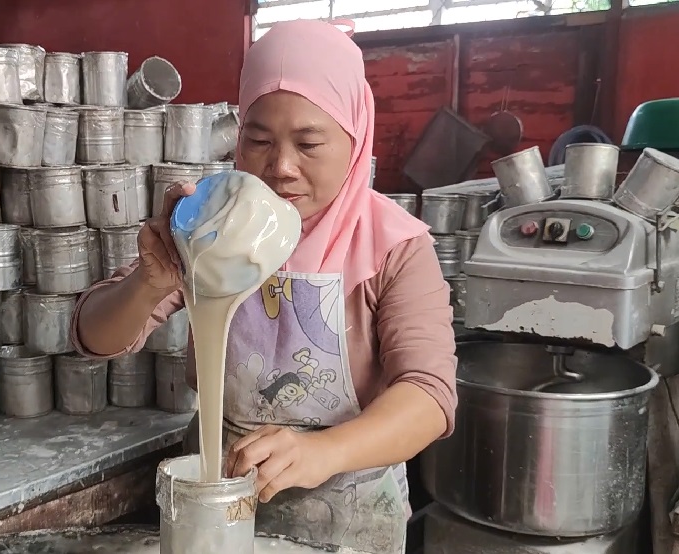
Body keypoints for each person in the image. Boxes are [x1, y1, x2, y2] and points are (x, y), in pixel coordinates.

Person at [71, 18, 457, 553]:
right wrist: (147, 282)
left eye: (309, 143)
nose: (281, 167)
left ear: (355, 137)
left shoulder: (393, 247)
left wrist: (321, 452)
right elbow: (93, 337)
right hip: (217, 493)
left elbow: (429, 397)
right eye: (258, 140)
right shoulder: (218, 224)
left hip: (348, 511)